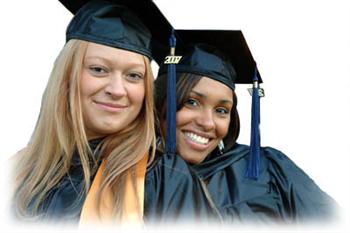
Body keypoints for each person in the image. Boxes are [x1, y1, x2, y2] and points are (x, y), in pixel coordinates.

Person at [143, 30, 337, 224]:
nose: (208, 122)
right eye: (192, 102)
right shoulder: (133, 177)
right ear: (160, 102)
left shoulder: (269, 169)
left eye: (221, 110)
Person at [11, 0, 172, 224]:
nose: (117, 90)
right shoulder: (16, 171)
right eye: (98, 70)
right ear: (66, 77)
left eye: (133, 75)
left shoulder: (164, 179)